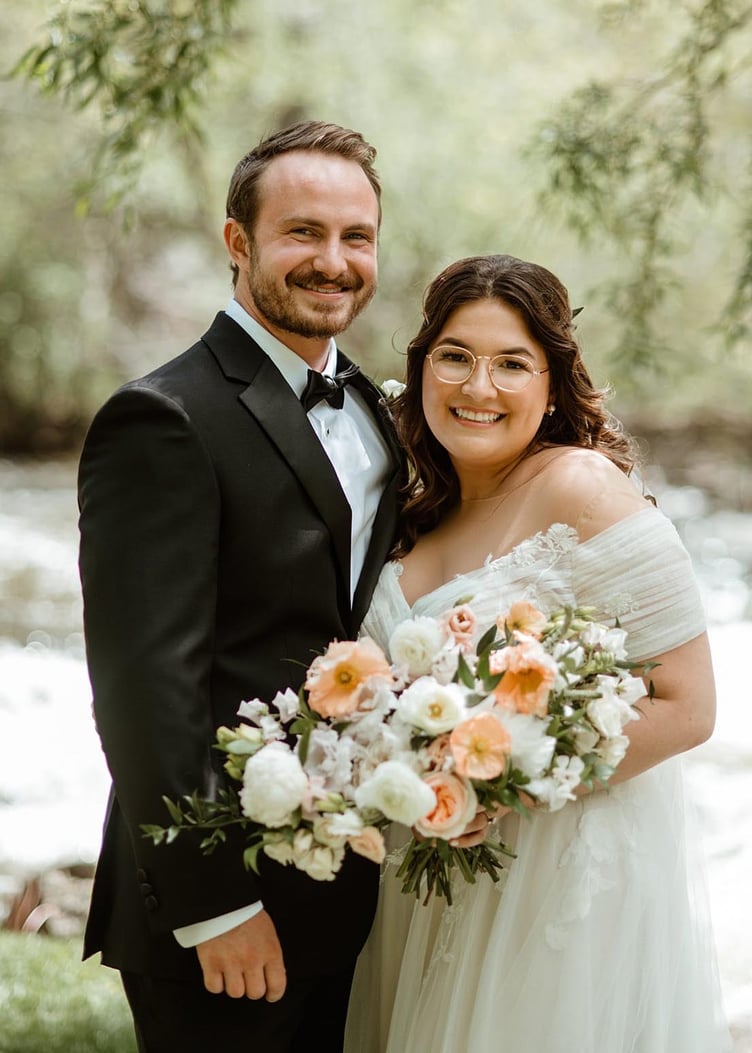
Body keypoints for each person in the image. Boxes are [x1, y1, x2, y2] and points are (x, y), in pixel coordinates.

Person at [345, 254, 732, 1052]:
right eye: (454, 356)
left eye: (511, 363)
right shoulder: (412, 512)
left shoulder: (581, 490)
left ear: (552, 384)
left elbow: (690, 705)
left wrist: (500, 783)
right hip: (422, 879)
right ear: (421, 371)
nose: (477, 386)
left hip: (548, 885)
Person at [78, 120, 404, 1052]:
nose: (333, 261)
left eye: (357, 237)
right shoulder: (163, 419)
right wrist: (212, 901)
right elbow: (144, 689)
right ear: (239, 242)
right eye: (303, 232)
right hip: (219, 902)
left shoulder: (381, 415)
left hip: (350, 884)